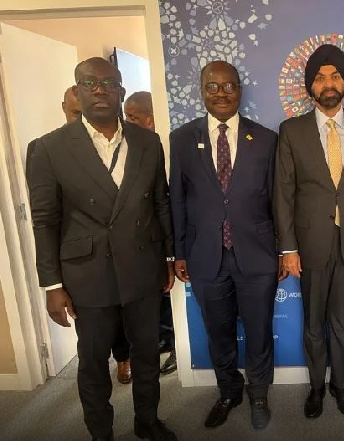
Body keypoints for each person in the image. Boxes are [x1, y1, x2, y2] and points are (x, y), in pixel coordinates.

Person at [26, 57, 177, 441]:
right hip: (87, 273)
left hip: (143, 266)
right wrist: (52, 285)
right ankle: (100, 433)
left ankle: (147, 422)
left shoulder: (148, 141)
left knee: (146, 355)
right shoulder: (48, 148)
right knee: (93, 362)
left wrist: (170, 259)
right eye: (89, 83)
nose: (99, 90)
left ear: (120, 91)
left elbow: (161, 202)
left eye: (108, 83)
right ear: (77, 91)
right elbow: (45, 221)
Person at [169, 60, 282, 430]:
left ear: (240, 90)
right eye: (213, 86)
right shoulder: (182, 139)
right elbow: (178, 200)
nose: (221, 93)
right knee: (218, 331)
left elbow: (277, 199)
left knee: (259, 329)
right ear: (202, 90)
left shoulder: (265, 138)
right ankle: (229, 391)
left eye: (229, 86)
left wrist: (282, 249)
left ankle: (259, 393)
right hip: (205, 256)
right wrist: (180, 252)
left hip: (257, 253)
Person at [274, 44, 344, 419]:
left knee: (341, 321)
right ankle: (317, 387)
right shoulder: (292, 130)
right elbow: (283, 193)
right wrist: (288, 248)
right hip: (310, 244)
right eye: (319, 78)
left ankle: (341, 386)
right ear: (310, 87)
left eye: (335, 76)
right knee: (313, 321)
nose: (328, 83)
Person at [124, 91, 176, 376]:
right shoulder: (131, 148)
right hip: (143, 243)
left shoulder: (167, 144)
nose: (127, 122)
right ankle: (165, 338)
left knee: (172, 296)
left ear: (150, 119)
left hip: (168, 236)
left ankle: (178, 345)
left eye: (132, 117)